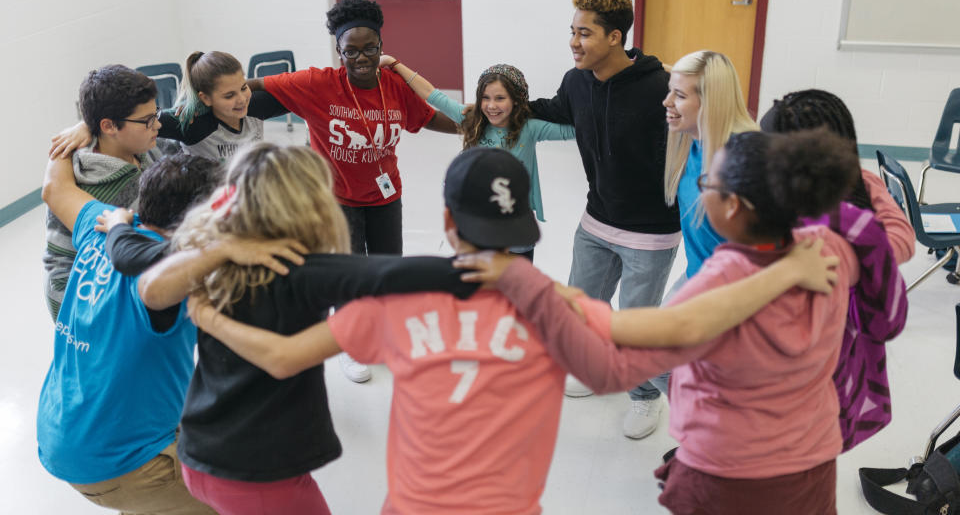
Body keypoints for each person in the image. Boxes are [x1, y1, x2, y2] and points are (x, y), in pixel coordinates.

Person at [185, 147, 839, 515]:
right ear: (530, 224)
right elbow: (655, 336)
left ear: (445, 223)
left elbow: (281, 357)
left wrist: (208, 316)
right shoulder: (555, 308)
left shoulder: (392, 302)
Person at [459, 130, 863, 514]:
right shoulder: (826, 249)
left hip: (735, 471)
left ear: (733, 206)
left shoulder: (724, 278)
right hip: (813, 456)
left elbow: (623, 361)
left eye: (707, 182)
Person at [133, 142, 496, 515]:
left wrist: (220, 251)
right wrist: (497, 273)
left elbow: (150, 289)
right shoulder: (297, 270)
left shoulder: (215, 261)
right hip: (256, 474)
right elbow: (388, 272)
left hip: (199, 455)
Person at [37, 151, 277, 515]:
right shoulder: (177, 277)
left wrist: (77, 132)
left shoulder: (100, 223)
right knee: (236, 502)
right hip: (119, 462)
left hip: (61, 427)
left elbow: (55, 185)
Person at [246, 0, 457, 382]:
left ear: (381, 46)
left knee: (385, 268)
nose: (361, 58)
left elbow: (426, 118)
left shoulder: (394, 85)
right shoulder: (317, 84)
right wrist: (212, 95)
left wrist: (471, 126)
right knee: (347, 271)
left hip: (385, 193)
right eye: (351, 51)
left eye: (370, 48)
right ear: (339, 51)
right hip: (336, 197)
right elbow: (251, 86)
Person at [528, 0, 680, 437]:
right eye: (572, 32)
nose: (574, 42)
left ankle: (645, 396)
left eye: (585, 33)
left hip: (650, 232)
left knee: (635, 328)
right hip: (596, 221)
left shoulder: (660, 87)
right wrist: (499, 105)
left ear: (615, 37)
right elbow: (555, 111)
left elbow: (703, 123)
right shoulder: (576, 81)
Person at [760, 88, 914, 449]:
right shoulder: (769, 193)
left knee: (816, 428)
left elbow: (903, 238)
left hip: (838, 342)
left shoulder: (860, 184)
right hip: (781, 345)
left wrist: (850, 257)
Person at [392, 58, 575, 260]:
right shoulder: (472, 119)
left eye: (500, 98)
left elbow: (574, 131)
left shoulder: (528, 128)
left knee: (515, 286)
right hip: (478, 226)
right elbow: (432, 94)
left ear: (516, 99)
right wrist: (395, 64)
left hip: (516, 228)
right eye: (485, 98)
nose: (491, 106)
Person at [651, 50, 758, 397]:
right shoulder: (691, 143)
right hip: (700, 275)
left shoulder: (743, 161)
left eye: (680, 95)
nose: (667, 102)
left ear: (710, 100)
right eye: (670, 91)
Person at [42, 65, 169, 322]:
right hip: (94, 307)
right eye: (147, 120)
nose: (158, 123)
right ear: (109, 126)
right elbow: (62, 271)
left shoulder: (146, 146)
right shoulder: (86, 184)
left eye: (155, 113)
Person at [51, 51, 290, 164]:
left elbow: (305, 95)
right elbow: (132, 116)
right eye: (229, 95)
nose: (241, 99)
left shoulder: (255, 104)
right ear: (205, 98)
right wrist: (86, 125)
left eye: (243, 88)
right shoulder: (190, 121)